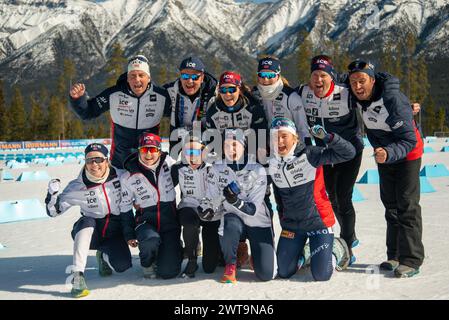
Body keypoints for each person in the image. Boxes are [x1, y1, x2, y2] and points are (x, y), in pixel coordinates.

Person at [347, 59, 424, 278]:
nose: (357, 87)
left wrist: (389, 153)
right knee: (390, 205)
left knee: (407, 205)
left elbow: (409, 139)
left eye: (362, 81)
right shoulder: (357, 95)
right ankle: (395, 255)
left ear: (372, 80)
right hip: (386, 155)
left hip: (407, 154)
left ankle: (411, 259)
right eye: (354, 83)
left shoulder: (392, 100)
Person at [268, 118, 355, 281]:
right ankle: (305, 254)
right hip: (293, 226)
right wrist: (284, 219)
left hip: (318, 223)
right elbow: (279, 197)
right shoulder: (272, 163)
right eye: (274, 137)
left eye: (284, 136)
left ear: (295, 138)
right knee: (284, 271)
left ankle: (338, 249)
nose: (279, 141)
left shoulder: (310, 154)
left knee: (321, 275)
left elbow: (349, 153)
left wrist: (328, 137)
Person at [298, 55, 364, 263]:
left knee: (343, 196)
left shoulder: (346, 93)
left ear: (331, 77)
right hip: (323, 153)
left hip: (349, 151)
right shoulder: (303, 92)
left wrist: (407, 106)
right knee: (328, 196)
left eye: (323, 75)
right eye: (315, 75)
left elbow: (373, 96)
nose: (318, 80)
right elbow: (280, 93)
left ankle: (347, 241)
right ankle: (334, 238)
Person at [45, 143, 132, 298]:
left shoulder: (121, 176)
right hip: (92, 231)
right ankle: (77, 276)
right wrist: (52, 195)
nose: (94, 164)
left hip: (115, 230)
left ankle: (103, 257)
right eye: (90, 160)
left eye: (98, 159)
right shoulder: (77, 185)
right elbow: (54, 212)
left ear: (106, 160)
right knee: (87, 221)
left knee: (122, 265)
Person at [205, 71, 268, 268]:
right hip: (227, 161)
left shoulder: (253, 108)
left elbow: (261, 140)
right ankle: (237, 246)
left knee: (259, 201)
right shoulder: (213, 111)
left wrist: (258, 169)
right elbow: (213, 144)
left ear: (239, 89)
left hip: (251, 163)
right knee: (228, 203)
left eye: (232, 89)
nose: (228, 93)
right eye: (223, 90)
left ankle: (263, 243)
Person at [69, 55, 170, 169]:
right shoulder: (114, 94)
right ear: (127, 78)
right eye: (132, 75)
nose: (137, 79)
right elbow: (88, 112)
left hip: (149, 162)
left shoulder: (162, 96)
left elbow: (178, 114)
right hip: (120, 163)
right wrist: (78, 99)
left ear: (148, 77)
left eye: (141, 75)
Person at [207, 128, 276, 283]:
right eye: (226, 145)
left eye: (234, 145)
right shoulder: (217, 168)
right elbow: (213, 201)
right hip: (233, 219)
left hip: (256, 220)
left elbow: (252, 210)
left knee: (266, 274)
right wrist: (207, 210)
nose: (230, 149)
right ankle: (230, 264)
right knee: (229, 223)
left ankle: (256, 255)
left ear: (243, 146)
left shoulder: (257, 169)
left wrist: (234, 200)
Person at [119, 133, 182, 279]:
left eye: (153, 150)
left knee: (168, 272)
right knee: (150, 240)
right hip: (146, 223)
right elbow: (125, 207)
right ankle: (147, 263)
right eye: (144, 149)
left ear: (159, 151)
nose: (148, 154)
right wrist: (129, 234)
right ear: (139, 151)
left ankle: (173, 247)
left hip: (170, 224)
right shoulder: (128, 176)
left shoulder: (170, 164)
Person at [171, 134, 222, 278]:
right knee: (189, 222)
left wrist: (214, 205)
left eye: (197, 152)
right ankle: (192, 258)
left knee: (209, 267)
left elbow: (224, 190)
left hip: (212, 211)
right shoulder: (178, 168)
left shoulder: (215, 166)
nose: (192, 157)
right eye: (188, 152)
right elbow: (162, 189)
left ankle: (217, 253)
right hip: (190, 206)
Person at [164, 56, 217, 153]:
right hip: (177, 137)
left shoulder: (214, 92)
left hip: (204, 138)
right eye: (185, 76)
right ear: (180, 76)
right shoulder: (170, 90)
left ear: (202, 78)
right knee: (176, 166)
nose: (190, 81)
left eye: (195, 77)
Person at [252, 56, 309, 141]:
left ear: (278, 76)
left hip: (290, 146)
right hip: (265, 145)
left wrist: (305, 150)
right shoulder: (255, 95)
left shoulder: (291, 97)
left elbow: (303, 129)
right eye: (262, 75)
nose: (266, 79)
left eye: (270, 75)